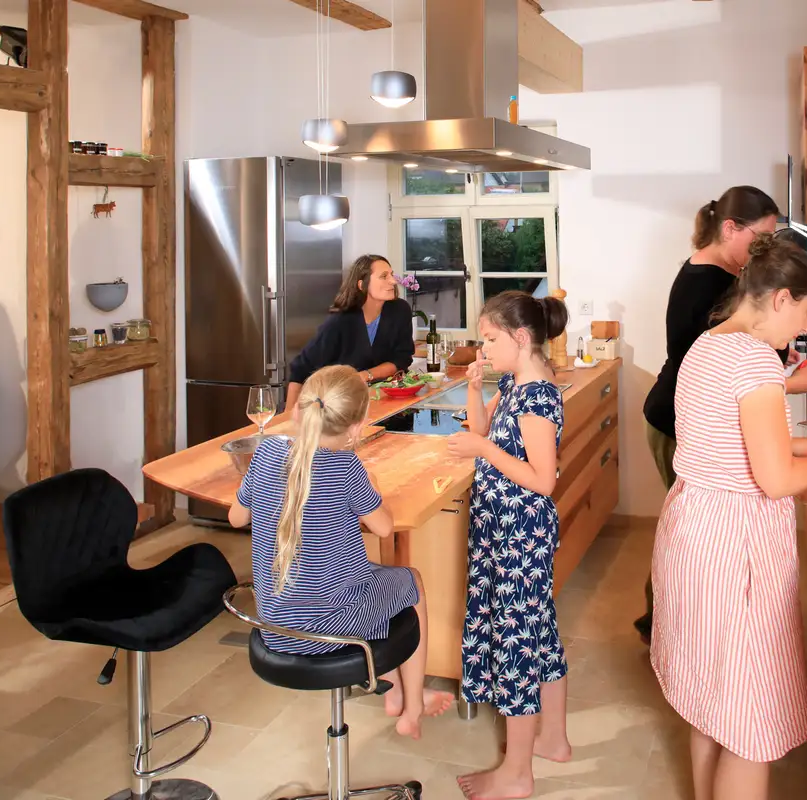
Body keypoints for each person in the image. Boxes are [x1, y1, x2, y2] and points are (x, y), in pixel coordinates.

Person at [651, 234, 807, 800]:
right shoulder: (755, 360)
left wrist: (799, 446)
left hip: (692, 530)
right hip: (734, 546)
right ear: (781, 298)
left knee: (710, 702)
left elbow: (722, 439)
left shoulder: (709, 343)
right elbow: (774, 480)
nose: (804, 326)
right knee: (748, 723)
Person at [636, 186, 807, 644]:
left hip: (692, 430)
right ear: (729, 228)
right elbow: (731, 389)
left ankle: (678, 627)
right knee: (709, 576)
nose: (762, 248)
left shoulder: (721, 302)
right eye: (760, 237)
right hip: (675, 421)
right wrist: (784, 383)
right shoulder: (706, 286)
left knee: (695, 555)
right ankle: (668, 622)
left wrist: (778, 372)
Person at [228, 364, 453, 740]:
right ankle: (413, 706)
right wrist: (371, 487)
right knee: (409, 581)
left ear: (298, 411)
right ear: (357, 426)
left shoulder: (266, 452)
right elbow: (384, 527)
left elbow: (237, 517)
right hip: (326, 628)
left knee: (367, 578)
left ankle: (395, 691)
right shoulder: (346, 467)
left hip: (274, 624)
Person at [445, 291, 571, 800]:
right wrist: (475, 389)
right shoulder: (514, 383)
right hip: (503, 529)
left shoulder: (538, 395)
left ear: (520, 338)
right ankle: (553, 739)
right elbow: (482, 430)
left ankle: (517, 773)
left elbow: (543, 479)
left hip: (520, 535)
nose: (484, 349)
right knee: (539, 633)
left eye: (491, 340)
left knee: (518, 643)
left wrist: (482, 448)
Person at [285, 254, 415, 409]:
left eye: (391, 275)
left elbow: (402, 359)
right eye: (384, 276)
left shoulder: (400, 310)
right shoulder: (340, 321)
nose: (393, 281)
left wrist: (364, 375)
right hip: (345, 407)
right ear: (362, 285)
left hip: (391, 402)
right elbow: (301, 369)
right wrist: (289, 416)